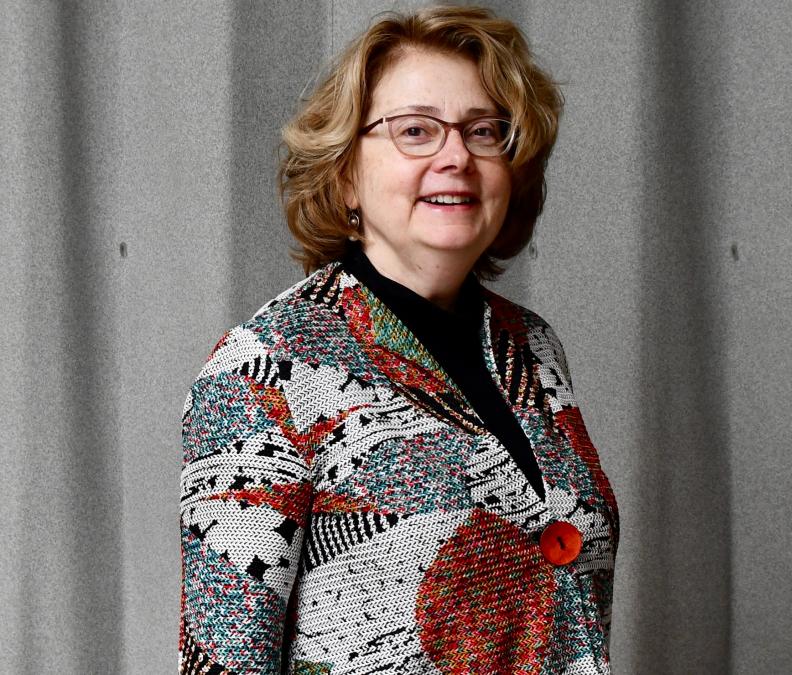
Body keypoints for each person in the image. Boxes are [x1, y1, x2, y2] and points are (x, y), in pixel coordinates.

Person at [178, 6, 618, 673]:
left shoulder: (531, 347)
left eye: (484, 131)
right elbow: (222, 662)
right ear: (346, 172)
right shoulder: (264, 370)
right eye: (416, 130)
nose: (456, 156)